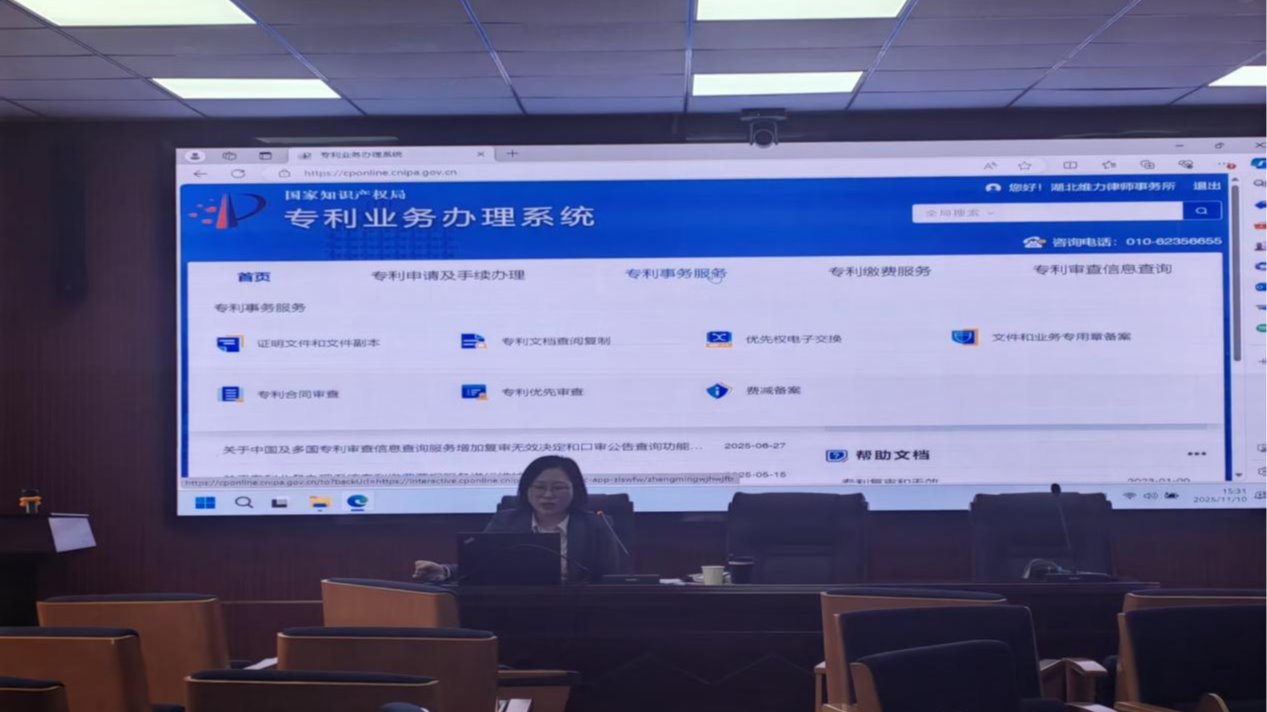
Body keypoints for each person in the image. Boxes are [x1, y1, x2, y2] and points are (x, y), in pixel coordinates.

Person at [413, 455, 629, 583]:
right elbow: (479, 567)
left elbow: (610, 579)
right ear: (526, 489)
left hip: (579, 614)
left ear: (576, 490)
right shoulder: (506, 522)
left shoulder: (595, 525)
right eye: (540, 487)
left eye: (558, 488)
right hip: (516, 609)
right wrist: (443, 571)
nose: (548, 495)